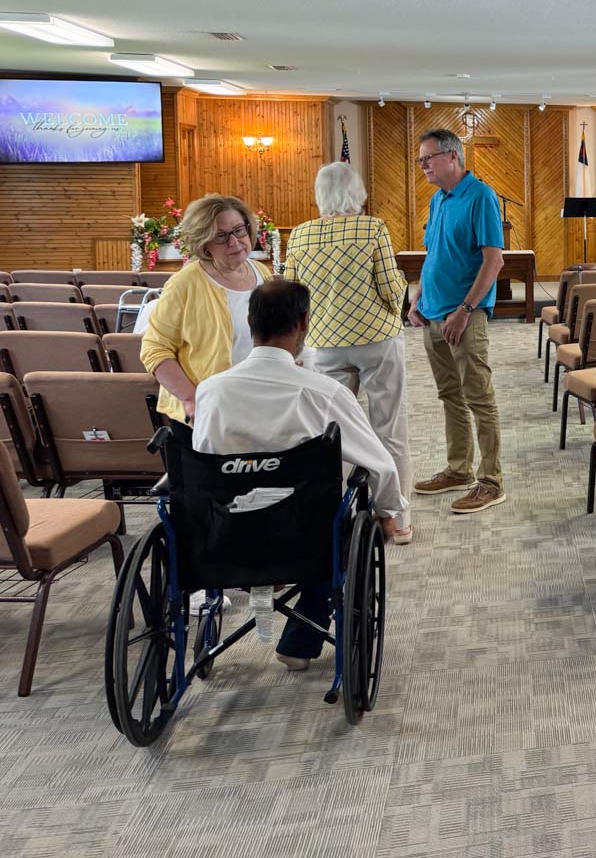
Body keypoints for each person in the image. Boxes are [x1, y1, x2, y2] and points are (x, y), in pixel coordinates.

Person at [192, 279, 405, 670]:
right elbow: (380, 465)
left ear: (250, 322)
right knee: (339, 523)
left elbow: (203, 461)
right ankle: (299, 641)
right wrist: (388, 512)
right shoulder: (324, 393)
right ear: (304, 323)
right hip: (303, 540)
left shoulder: (210, 391)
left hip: (224, 535)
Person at [283, 162, 413, 544]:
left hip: (324, 343)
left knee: (333, 431)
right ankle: (397, 519)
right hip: (377, 339)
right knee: (389, 426)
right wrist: (398, 296)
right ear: (357, 191)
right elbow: (390, 287)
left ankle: (335, 517)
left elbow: (292, 292)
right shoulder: (372, 228)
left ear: (320, 194)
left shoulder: (300, 234)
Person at [408, 128, 507, 515]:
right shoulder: (438, 199)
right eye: (420, 160)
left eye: (428, 158)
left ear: (452, 156)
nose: (423, 166)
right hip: (433, 313)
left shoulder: (480, 196)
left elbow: (493, 261)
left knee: (479, 398)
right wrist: (418, 297)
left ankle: (491, 481)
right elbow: (433, 253)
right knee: (450, 396)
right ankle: (458, 469)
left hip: (464, 317)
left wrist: (464, 310)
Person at [142, 194, 273, 422]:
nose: (234, 242)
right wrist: (191, 398)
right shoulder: (184, 284)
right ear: (203, 242)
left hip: (258, 404)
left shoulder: (262, 273)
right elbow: (155, 348)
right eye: (221, 236)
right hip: (207, 411)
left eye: (239, 230)